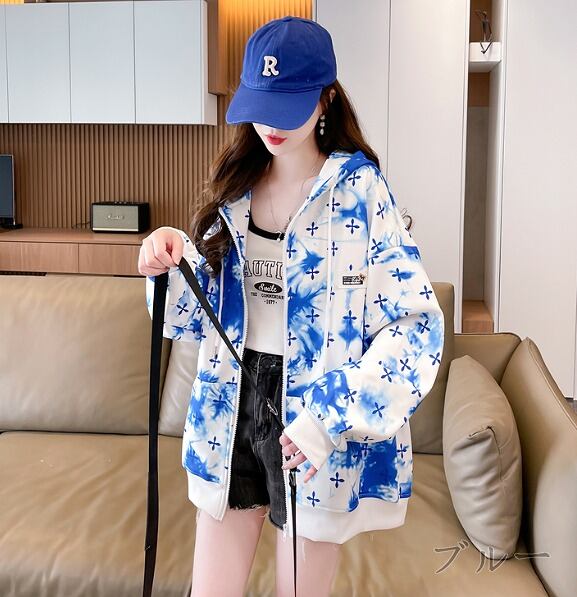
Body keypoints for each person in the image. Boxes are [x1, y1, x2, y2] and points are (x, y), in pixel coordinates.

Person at [138, 15, 445, 597]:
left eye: (288, 107)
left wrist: (331, 415)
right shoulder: (235, 191)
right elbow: (193, 321)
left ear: (326, 99)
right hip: (229, 406)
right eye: (262, 106)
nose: (271, 126)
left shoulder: (361, 194)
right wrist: (168, 265)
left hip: (312, 414)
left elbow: (415, 328)